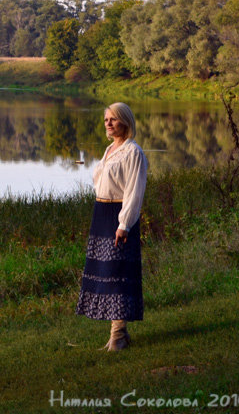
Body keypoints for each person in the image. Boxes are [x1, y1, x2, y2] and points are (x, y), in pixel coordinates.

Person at [76, 102, 148, 351]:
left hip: (119, 217)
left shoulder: (133, 152)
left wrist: (124, 224)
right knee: (106, 272)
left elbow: (134, 192)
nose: (108, 123)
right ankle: (119, 334)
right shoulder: (110, 150)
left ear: (125, 122)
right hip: (102, 214)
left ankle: (117, 336)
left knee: (118, 274)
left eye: (114, 119)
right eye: (106, 119)